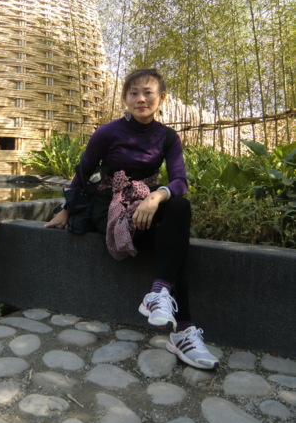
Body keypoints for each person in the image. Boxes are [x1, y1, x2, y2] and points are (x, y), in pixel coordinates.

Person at [46, 68, 219, 370]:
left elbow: (179, 181)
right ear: (125, 99)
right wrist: (66, 209)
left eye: (148, 92)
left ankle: (158, 294)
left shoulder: (167, 137)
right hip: (109, 205)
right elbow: (83, 172)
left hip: (145, 205)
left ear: (161, 98)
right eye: (133, 93)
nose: (141, 99)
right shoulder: (108, 132)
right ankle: (184, 330)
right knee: (174, 247)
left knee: (179, 207)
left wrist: (155, 197)